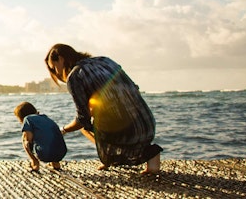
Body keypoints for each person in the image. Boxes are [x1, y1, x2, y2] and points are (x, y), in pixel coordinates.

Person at [45, 43, 162, 174]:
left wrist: (63, 130)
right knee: (102, 114)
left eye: (54, 67)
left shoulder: (75, 76)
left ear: (60, 59)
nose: (56, 72)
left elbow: (82, 119)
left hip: (128, 133)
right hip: (147, 124)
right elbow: (135, 88)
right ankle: (151, 155)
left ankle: (109, 159)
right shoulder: (105, 60)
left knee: (85, 127)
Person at [14, 101, 67, 171]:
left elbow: (28, 139)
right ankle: (56, 164)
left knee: (24, 139)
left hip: (45, 154)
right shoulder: (45, 118)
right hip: (61, 152)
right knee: (48, 136)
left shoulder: (27, 119)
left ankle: (35, 163)